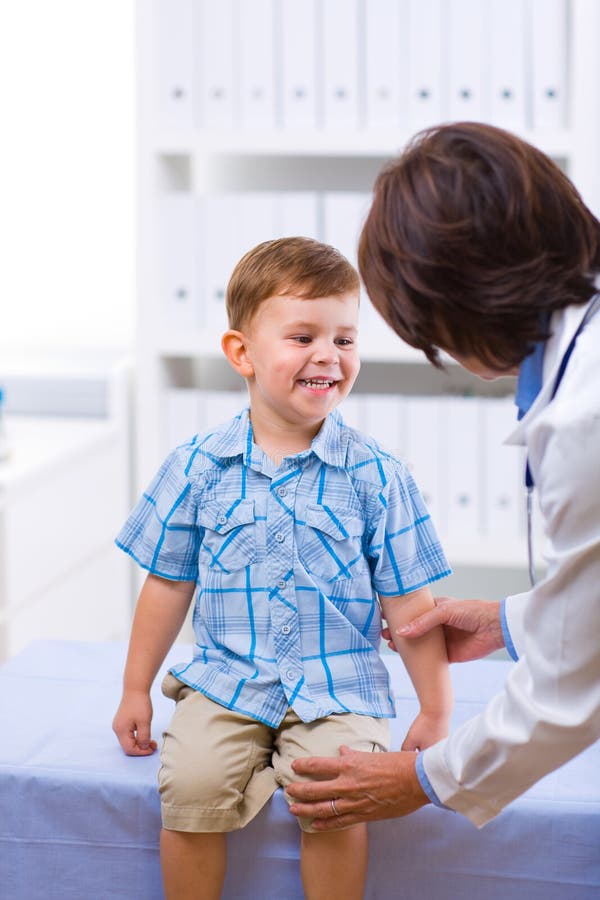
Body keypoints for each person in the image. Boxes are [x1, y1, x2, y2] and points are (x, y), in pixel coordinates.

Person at [112, 236, 453, 900]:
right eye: (303, 336)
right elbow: (167, 584)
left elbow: (412, 603)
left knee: (335, 793)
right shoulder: (197, 467)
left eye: (345, 340)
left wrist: (436, 708)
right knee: (190, 786)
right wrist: (134, 689)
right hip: (227, 682)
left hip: (338, 686)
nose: (329, 355)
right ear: (241, 352)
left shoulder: (377, 476)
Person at [286, 121, 600, 831]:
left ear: (453, 306)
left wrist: (426, 777)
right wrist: (512, 622)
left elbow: (570, 689)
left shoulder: (585, 417)